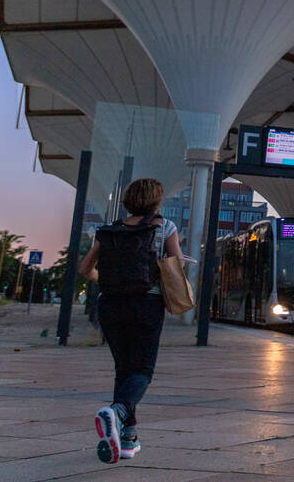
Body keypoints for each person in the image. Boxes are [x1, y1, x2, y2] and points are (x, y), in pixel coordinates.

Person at [78, 178, 182, 464]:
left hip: (110, 304)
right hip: (146, 302)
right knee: (143, 370)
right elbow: (177, 266)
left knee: (123, 369)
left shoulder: (107, 231)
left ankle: (127, 439)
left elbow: (85, 268)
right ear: (156, 202)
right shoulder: (165, 227)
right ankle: (119, 412)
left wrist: (105, 280)